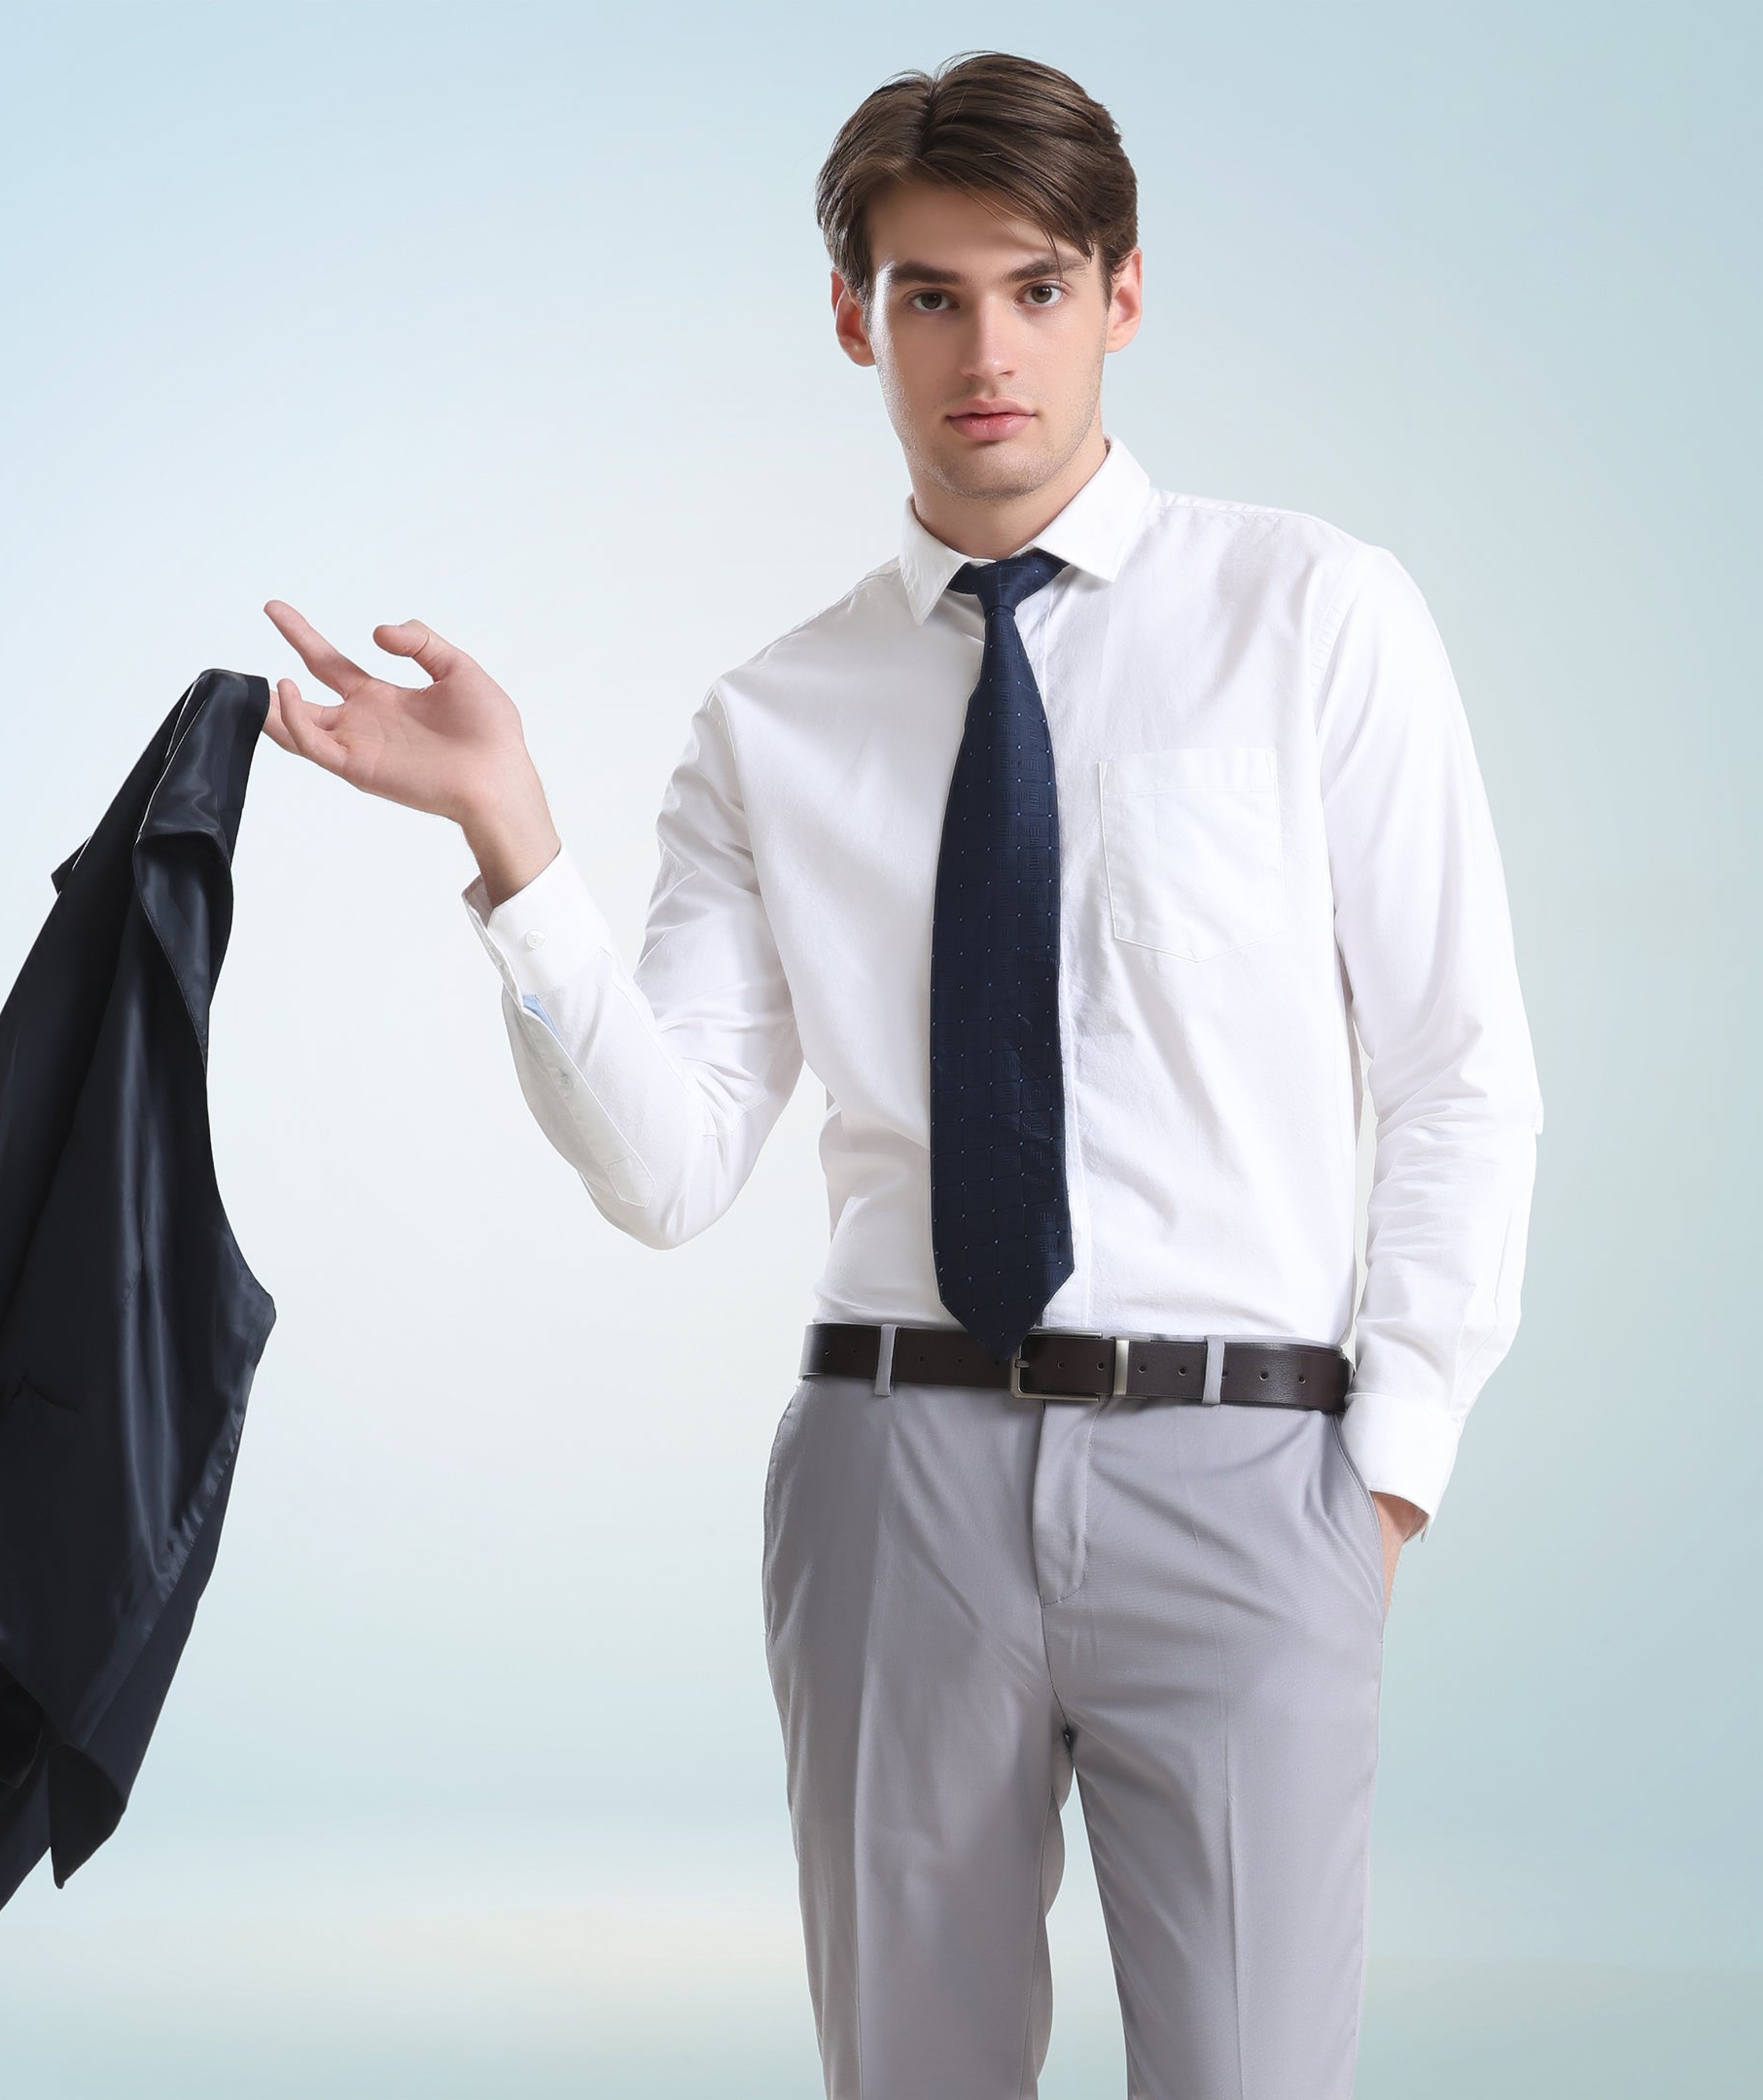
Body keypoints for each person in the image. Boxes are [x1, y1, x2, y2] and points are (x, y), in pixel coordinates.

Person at [257, 50, 1541, 2100]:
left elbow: (1462, 1069)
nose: (985, 352)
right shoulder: (777, 715)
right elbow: (672, 1164)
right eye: (929, 295)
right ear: (855, 318)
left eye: (1033, 287)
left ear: (1125, 293)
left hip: (1244, 1475)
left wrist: (1381, 1482)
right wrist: (514, 841)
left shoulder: (1314, 618)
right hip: (892, 1483)